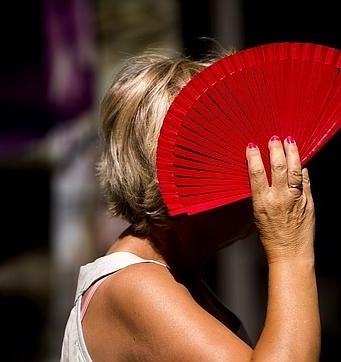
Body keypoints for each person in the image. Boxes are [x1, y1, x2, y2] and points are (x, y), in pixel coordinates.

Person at [60, 49, 320, 361]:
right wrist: (291, 252)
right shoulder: (136, 287)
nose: (261, 182)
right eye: (246, 164)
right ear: (191, 184)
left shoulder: (172, 275)